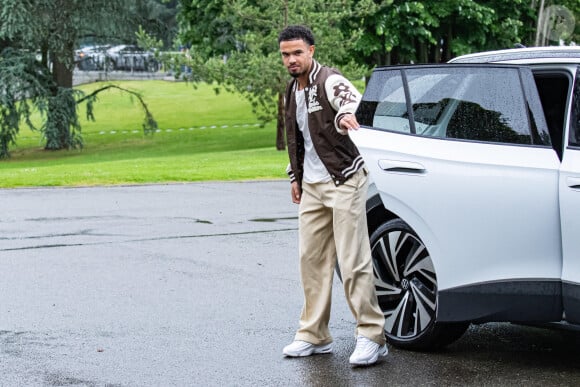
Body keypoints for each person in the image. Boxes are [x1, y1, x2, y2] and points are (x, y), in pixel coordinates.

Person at [278, 25, 387, 366]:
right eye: (285, 54)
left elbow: (352, 104)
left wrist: (346, 116)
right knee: (311, 261)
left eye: (297, 52)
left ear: (311, 50)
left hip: (345, 180)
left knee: (352, 261)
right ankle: (314, 335)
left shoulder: (330, 80)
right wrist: (295, 176)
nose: (292, 59)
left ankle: (372, 335)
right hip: (311, 186)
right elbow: (298, 138)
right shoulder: (290, 91)